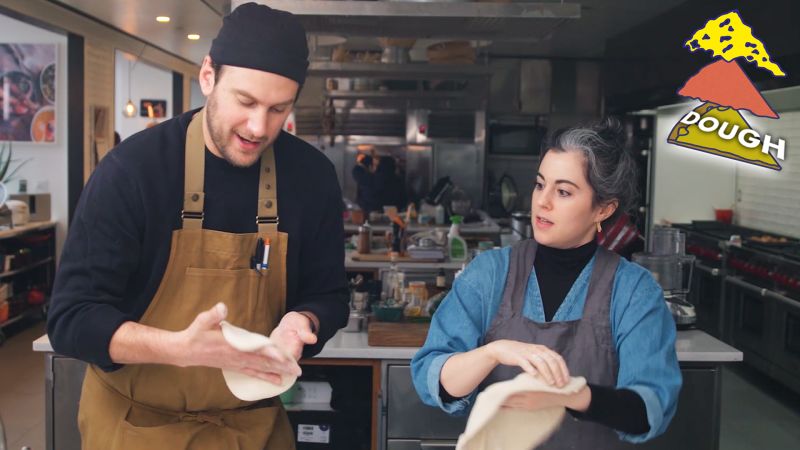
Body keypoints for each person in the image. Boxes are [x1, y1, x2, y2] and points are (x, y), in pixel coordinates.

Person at [47, 3, 349, 449]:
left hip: (252, 430)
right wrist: (177, 349)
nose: (258, 127)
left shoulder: (311, 177)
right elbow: (71, 318)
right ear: (208, 76)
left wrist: (302, 320)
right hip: (136, 428)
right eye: (245, 101)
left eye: (277, 109)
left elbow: (329, 295)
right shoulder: (133, 171)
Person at [411, 118, 681, 448]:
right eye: (540, 185)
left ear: (603, 209)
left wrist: (571, 395)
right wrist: (493, 352)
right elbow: (434, 380)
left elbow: (649, 409)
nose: (543, 201)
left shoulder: (634, 292)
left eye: (563, 191)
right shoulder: (489, 274)